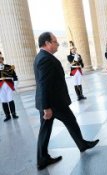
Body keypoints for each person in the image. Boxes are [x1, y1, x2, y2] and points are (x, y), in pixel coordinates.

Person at [33, 32, 99, 170]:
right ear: (47, 43)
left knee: (48, 129)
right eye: (55, 41)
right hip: (53, 104)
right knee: (68, 122)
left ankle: (43, 158)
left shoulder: (42, 57)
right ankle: (81, 145)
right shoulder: (45, 59)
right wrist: (46, 108)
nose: (57, 44)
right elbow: (44, 84)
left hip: (51, 102)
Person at [0, 55, 19, 122]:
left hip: (9, 85)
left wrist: (15, 84)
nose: (0, 60)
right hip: (0, 86)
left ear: (3, 59)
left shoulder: (8, 67)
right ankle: (7, 116)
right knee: (3, 100)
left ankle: (14, 114)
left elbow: (14, 76)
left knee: (10, 99)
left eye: (1, 59)